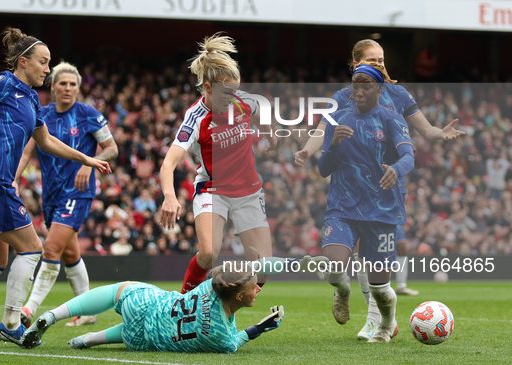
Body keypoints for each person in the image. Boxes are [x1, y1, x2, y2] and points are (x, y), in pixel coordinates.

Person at [0, 28, 111, 346]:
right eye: (43, 62)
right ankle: (11, 322)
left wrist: (88, 158)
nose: (47, 68)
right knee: (32, 249)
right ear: (23, 62)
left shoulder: (31, 100)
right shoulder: (3, 83)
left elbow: (47, 141)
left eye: (49, 62)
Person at [295, 39, 465, 340]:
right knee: (354, 256)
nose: (380, 65)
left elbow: (424, 131)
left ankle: (378, 320)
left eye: (382, 59)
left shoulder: (397, 95)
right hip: (348, 191)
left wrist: (440, 133)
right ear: (355, 64)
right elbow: (323, 132)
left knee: (371, 263)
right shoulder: (343, 98)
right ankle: (369, 313)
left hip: (386, 191)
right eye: (372, 60)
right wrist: (308, 151)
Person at [159, 33, 277, 294]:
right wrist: (169, 196)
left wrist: (270, 137)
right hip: (213, 190)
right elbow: (168, 163)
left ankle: (225, 308)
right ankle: (182, 304)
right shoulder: (195, 117)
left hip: (248, 190)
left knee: (264, 269)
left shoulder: (244, 100)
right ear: (209, 88)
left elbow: (261, 115)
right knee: (209, 252)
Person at [21, 257, 324, 352]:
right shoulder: (222, 338)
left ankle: (52, 315)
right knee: (139, 330)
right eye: (254, 288)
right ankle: (90, 340)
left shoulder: (211, 285)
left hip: (144, 305)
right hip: (143, 341)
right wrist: (260, 328)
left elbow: (243, 274)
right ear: (240, 297)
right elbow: (238, 338)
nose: (258, 290)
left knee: (118, 289)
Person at [15, 62, 118, 328]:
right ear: (53, 86)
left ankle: (28, 309)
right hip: (50, 194)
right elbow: (27, 151)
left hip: (78, 192)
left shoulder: (88, 114)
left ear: (78, 88)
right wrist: (14, 180)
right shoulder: (42, 114)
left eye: (73, 84)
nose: (68, 88)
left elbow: (111, 148)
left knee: (50, 247)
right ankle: (88, 312)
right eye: (63, 83)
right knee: (70, 254)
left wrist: (89, 162)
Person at [317, 62, 415, 343]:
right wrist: (333, 144)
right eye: (355, 84)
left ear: (379, 89)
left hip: (381, 211)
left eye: (366, 85)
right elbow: (323, 169)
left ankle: (386, 324)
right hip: (343, 207)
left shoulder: (391, 119)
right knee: (333, 265)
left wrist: (396, 169)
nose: (359, 91)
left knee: (380, 287)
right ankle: (343, 291)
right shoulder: (338, 121)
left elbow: (408, 155)